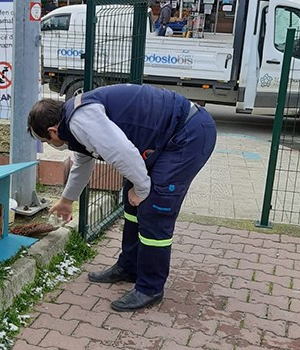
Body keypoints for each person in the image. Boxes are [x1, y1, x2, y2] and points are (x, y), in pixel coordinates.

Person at [27, 84, 217, 312]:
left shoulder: (81, 121)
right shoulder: (73, 121)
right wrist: (67, 200)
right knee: (132, 202)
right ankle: (129, 267)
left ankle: (150, 288)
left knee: (154, 209)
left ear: (52, 131)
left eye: (47, 142)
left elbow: (124, 153)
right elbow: (82, 163)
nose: (51, 145)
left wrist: (143, 189)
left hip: (189, 133)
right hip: (171, 134)